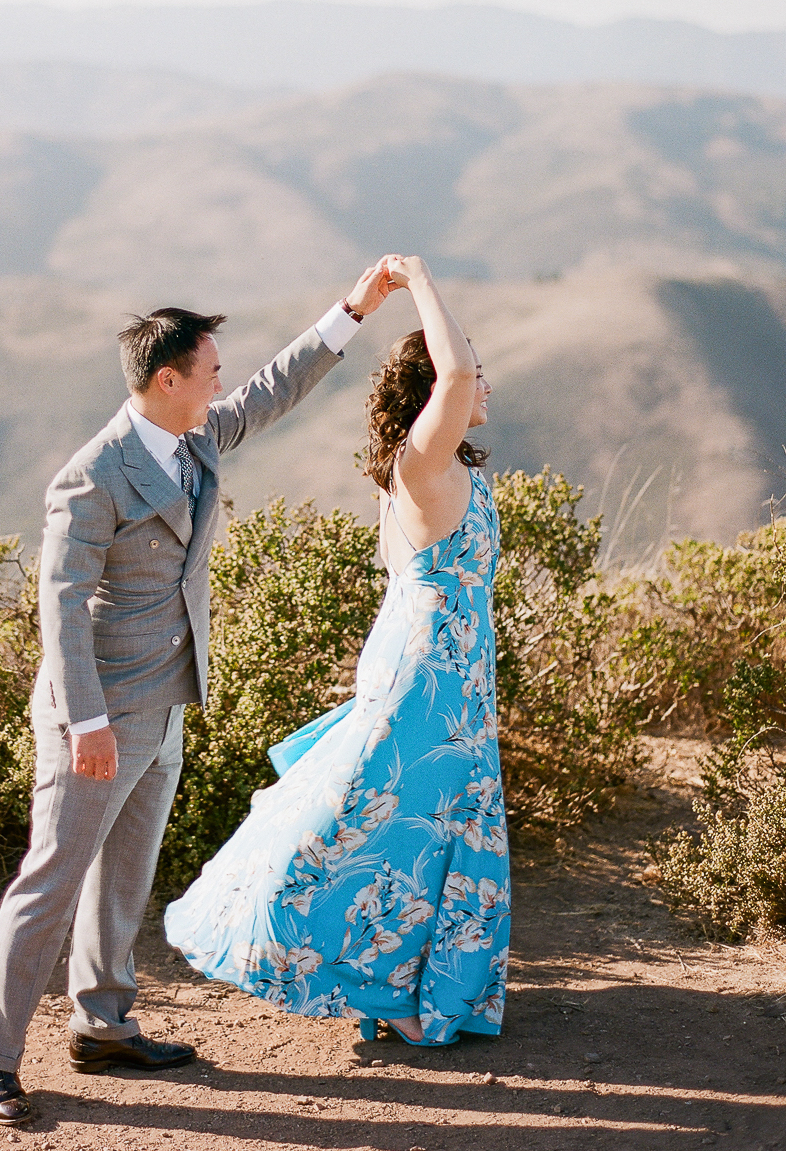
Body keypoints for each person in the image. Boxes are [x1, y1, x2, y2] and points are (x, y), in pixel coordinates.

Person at [0, 264, 396, 1125]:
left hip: (166, 702)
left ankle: (103, 1026)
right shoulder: (92, 476)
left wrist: (353, 311)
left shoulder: (193, 435)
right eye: (209, 372)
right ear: (167, 381)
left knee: (125, 875)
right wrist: (85, 719)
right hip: (96, 715)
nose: (221, 385)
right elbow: (58, 609)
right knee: (51, 879)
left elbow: (275, 389)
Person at [164, 254, 509, 1048]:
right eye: (474, 372)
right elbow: (453, 379)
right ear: (432, 398)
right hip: (426, 671)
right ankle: (364, 977)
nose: (482, 384)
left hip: (453, 668)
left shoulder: (446, 468)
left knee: (437, 825)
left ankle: (402, 990)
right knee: (391, 819)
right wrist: (419, 285)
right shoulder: (421, 464)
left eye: (483, 371)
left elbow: (456, 382)